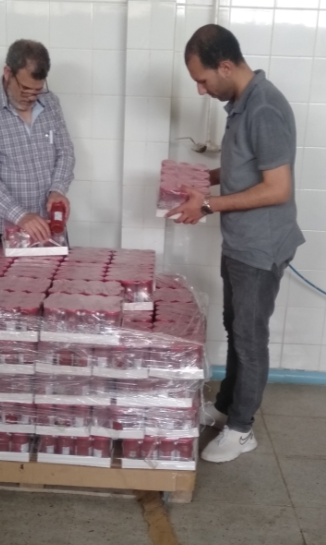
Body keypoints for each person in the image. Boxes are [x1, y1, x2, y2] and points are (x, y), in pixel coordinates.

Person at [168, 25, 305, 463]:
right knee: (236, 327)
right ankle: (227, 407)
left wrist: (207, 204)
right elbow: (245, 165)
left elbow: (277, 188)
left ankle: (242, 429)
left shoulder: (263, 108)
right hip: (241, 242)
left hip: (261, 247)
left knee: (249, 337)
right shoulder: (241, 104)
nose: (201, 90)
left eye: (203, 80)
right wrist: (199, 178)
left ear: (225, 67)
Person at [0, 39, 75, 244]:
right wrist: (20, 215)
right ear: (8, 73)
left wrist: (58, 190)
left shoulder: (51, 102)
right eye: (25, 89)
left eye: (37, 90)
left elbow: (65, 151)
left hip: (50, 223)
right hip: (5, 227)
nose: (31, 97)